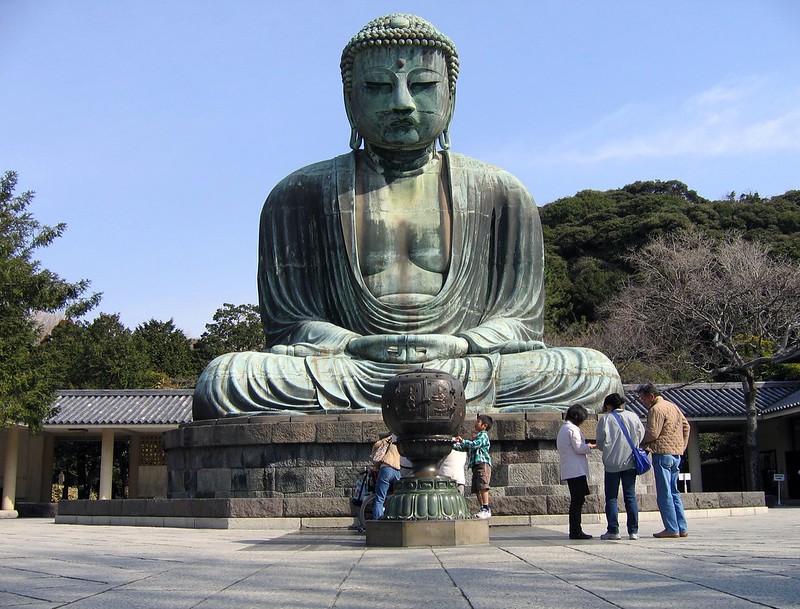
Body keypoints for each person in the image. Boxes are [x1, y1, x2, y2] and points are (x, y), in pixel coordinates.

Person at [192, 13, 622, 419]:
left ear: (450, 96)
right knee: (227, 379)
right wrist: (359, 346)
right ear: (349, 98)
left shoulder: (502, 193)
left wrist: (461, 345)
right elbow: (290, 327)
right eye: (378, 86)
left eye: (422, 85)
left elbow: (521, 324)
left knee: (592, 372)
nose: (401, 103)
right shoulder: (298, 195)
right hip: (352, 368)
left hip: (464, 366)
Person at [637, 383, 691, 539]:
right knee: (675, 491)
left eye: (643, 398)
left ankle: (671, 528)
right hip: (676, 454)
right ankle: (682, 527)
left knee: (664, 492)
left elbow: (653, 433)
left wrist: (640, 442)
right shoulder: (673, 406)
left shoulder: (656, 409)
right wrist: (682, 445)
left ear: (651, 396)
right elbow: (686, 426)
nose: (643, 402)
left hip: (662, 453)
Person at [596, 392, 645, 540]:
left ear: (609, 406)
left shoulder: (606, 419)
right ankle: (633, 531)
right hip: (630, 461)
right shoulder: (633, 416)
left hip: (612, 463)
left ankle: (613, 530)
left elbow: (599, 443)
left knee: (611, 497)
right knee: (630, 496)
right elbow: (641, 434)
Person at [557, 404, 595, 540]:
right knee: (577, 501)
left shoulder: (564, 428)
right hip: (576, 470)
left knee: (577, 500)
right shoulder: (572, 429)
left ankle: (576, 529)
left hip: (571, 468)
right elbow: (579, 447)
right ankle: (575, 530)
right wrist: (589, 446)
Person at [453, 414, 493, 518]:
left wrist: (463, 441)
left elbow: (475, 444)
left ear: (484, 426)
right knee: (477, 488)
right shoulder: (475, 437)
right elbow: (466, 447)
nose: (475, 423)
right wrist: (452, 445)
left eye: (478, 421)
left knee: (483, 486)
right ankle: (482, 509)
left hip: (482, 464)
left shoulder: (483, 435)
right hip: (476, 466)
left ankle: (486, 508)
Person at [370, 433, 401, 520]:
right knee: (399, 496)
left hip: (386, 469)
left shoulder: (390, 439)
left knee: (379, 499)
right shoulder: (404, 440)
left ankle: (377, 522)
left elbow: (377, 445)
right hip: (399, 471)